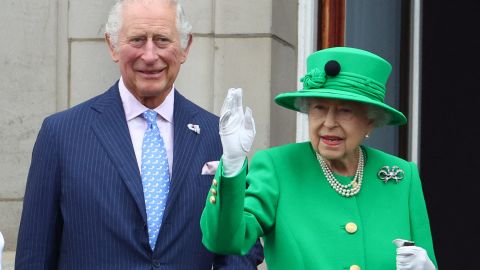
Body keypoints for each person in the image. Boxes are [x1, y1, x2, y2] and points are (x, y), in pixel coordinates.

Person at [15, 0, 263, 269]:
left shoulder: (217, 137)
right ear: (112, 45)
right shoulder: (61, 135)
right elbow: (34, 256)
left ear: (185, 47)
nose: (149, 55)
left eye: (162, 40)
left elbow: (240, 250)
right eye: (136, 40)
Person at [201, 47, 438, 269]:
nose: (329, 123)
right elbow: (226, 240)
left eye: (345, 110)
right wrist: (232, 165)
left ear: (370, 121)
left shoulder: (401, 176)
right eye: (319, 108)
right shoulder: (278, 167)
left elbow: (424, 256)